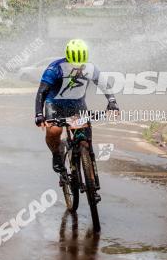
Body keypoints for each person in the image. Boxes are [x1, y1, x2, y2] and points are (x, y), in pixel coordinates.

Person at [34, 39, 119, 180]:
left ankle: (89, 174)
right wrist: (38, 114)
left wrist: (112, 101)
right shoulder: (55, 68)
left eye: (81, 64)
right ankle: (56, 154)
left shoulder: (90, 68)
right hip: (54, 104)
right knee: (54, 131)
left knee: (84, 141)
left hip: (76, 105)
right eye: (74, 64)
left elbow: (104, 84)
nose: (78, 66)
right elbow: (42, 92)